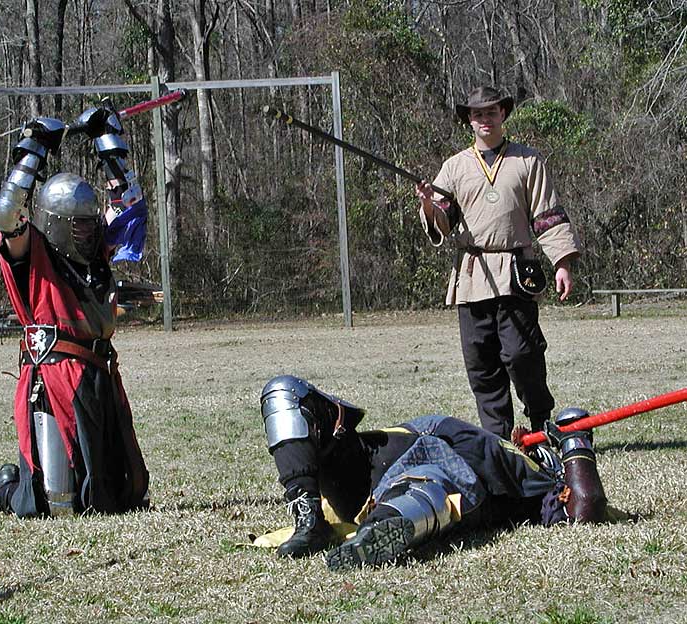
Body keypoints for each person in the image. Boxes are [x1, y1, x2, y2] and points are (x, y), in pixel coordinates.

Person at [0, 104, 150, 518]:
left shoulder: (97, 253)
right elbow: (6, 214)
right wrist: (33, 150)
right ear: (54, 223)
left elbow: (129, 206)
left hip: (99, 376)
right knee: (58, 503)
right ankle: (5, 489)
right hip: (55, 380)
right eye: (78, 225)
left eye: (91, 224)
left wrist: (107, 141)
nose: (88, 232)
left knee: (123, 494)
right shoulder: (32, 255)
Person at [258, 375, 607, 571]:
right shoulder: (515, 460)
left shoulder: (538, 484)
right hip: (403, 449)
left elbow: (587, 504)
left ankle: (383, 527)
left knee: (426, 484)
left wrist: (576, 444)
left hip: (432, 471)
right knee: (283, 393)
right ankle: (309, 521)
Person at [415, 86, 582, 440]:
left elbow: (547, 215)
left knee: (522, 354)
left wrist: (562, 263)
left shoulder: (528, 161)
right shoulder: (454, 167)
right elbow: (443, 220)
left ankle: (540, 424)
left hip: (516, 273)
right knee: (482, 365)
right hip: (472, 277)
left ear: (503, 114)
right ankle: (500, 440)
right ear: (469, 120)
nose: (485, 119)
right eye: (478, 114)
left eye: (491, 112)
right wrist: (429, 204)